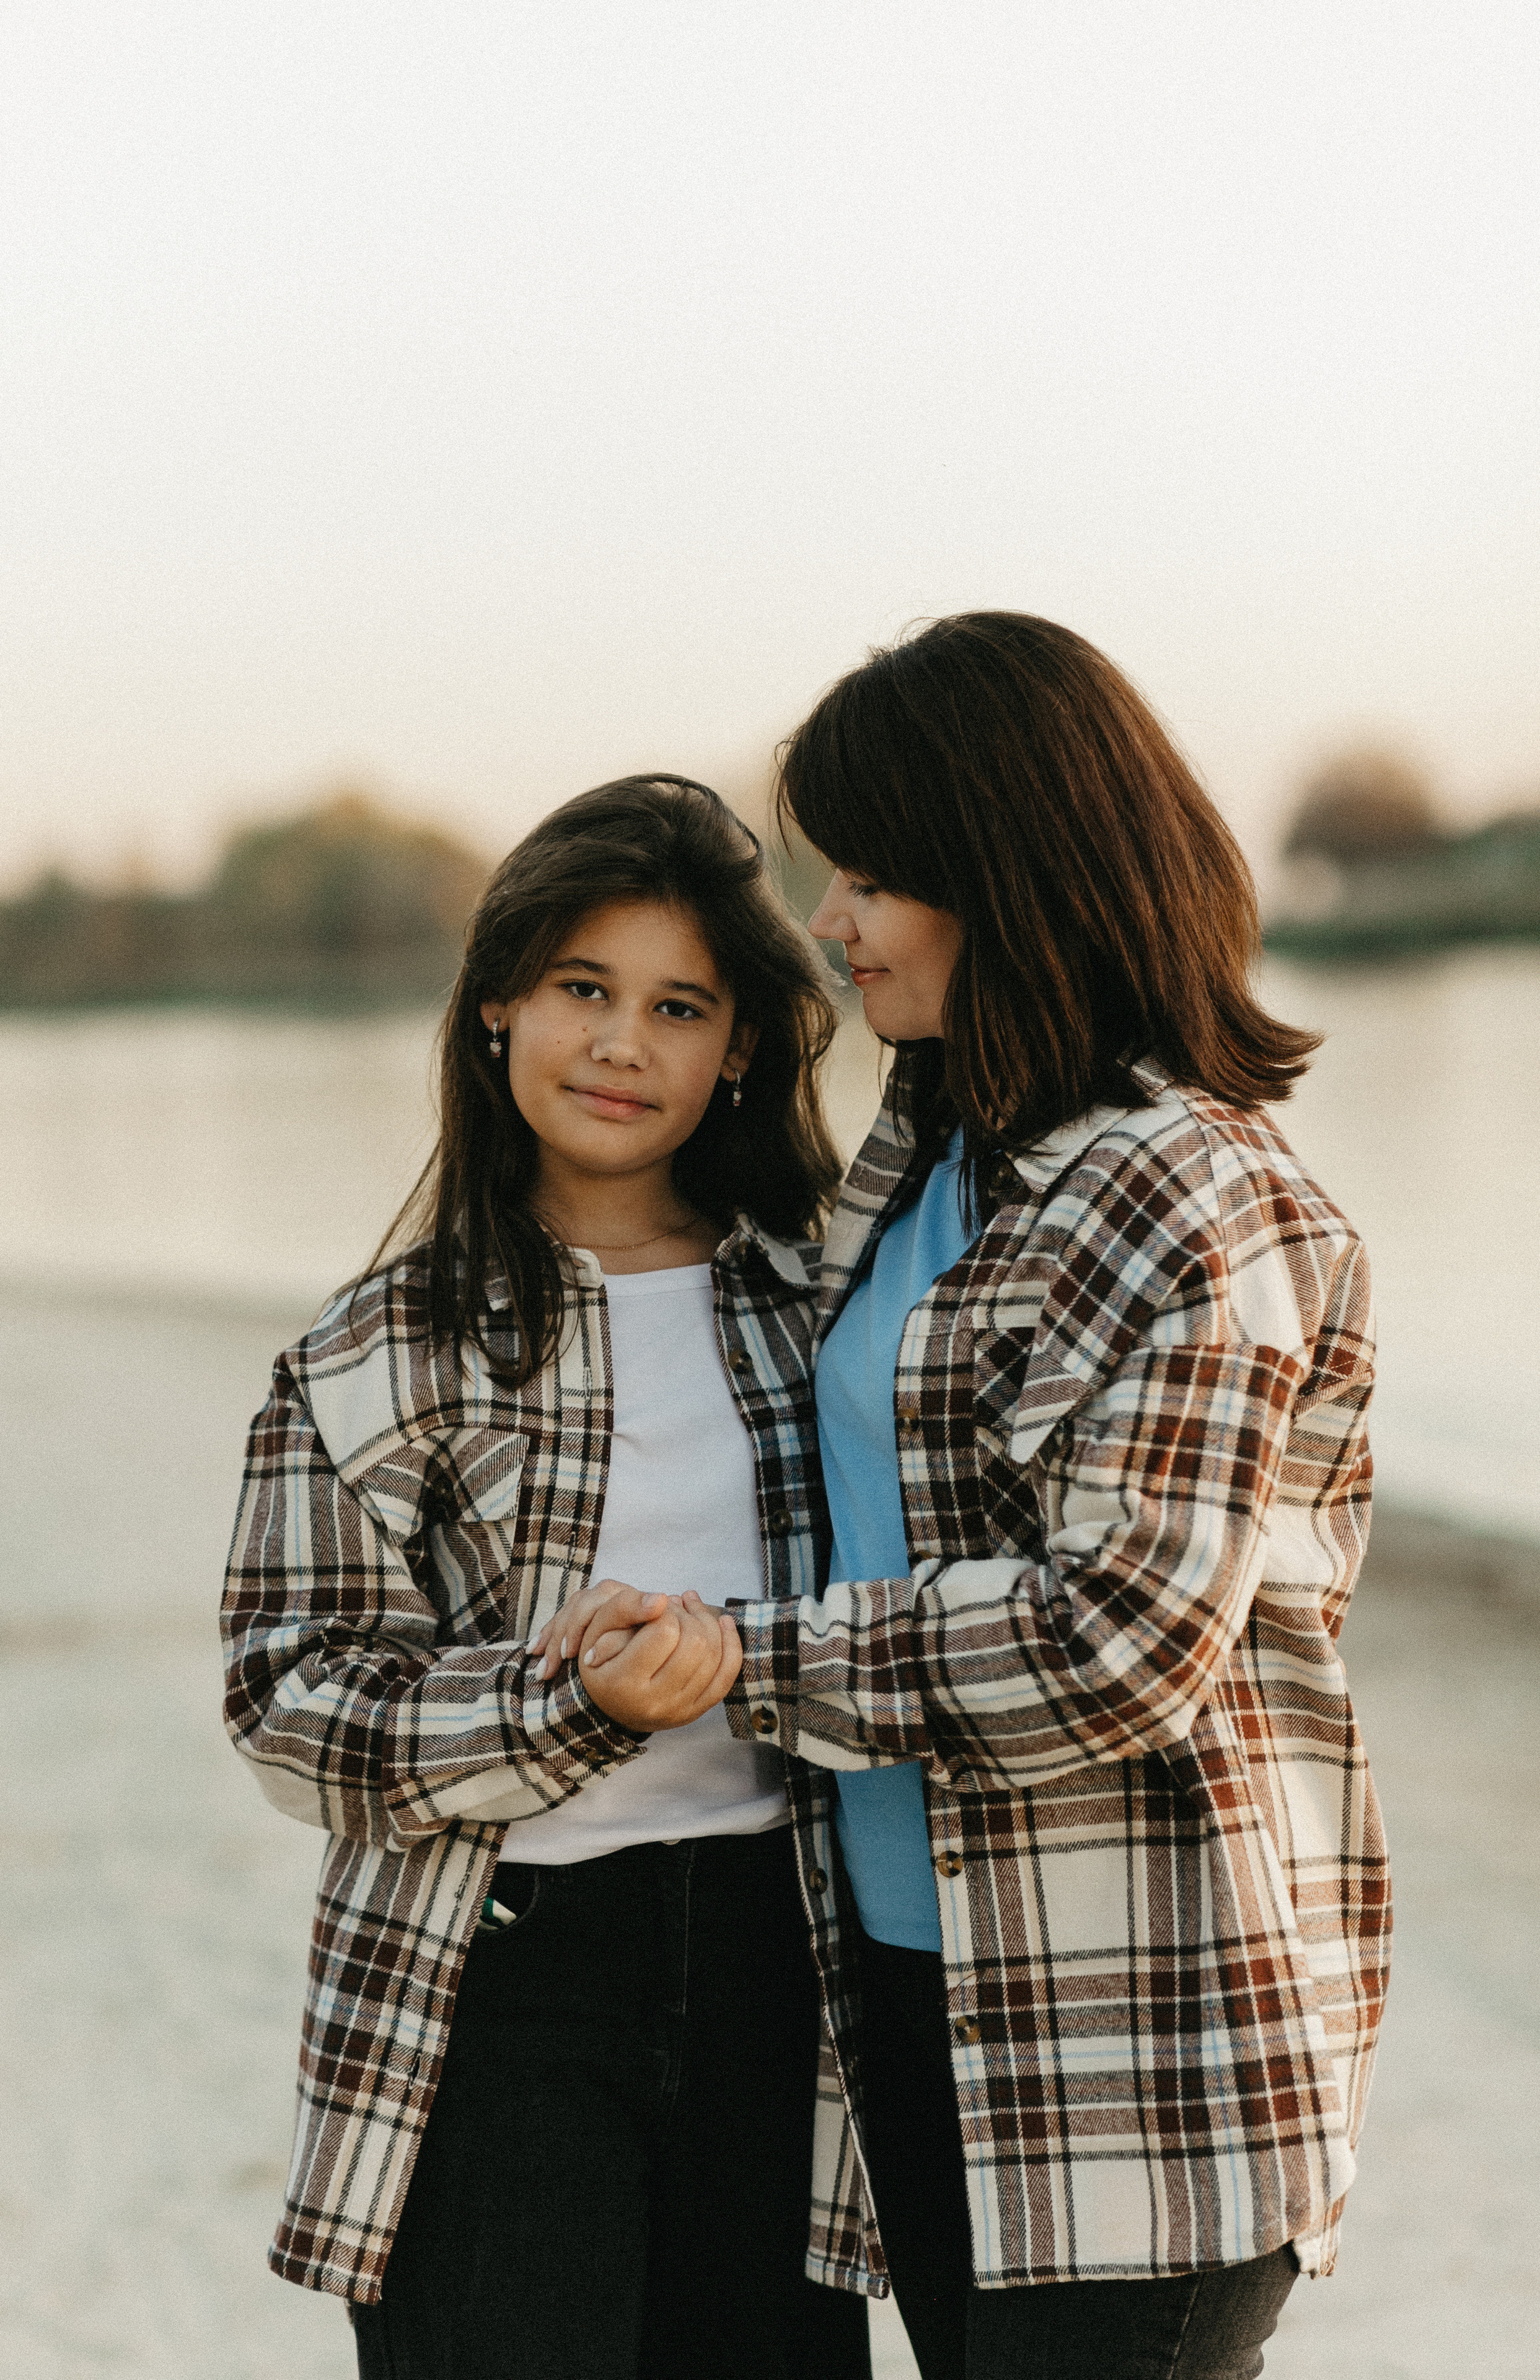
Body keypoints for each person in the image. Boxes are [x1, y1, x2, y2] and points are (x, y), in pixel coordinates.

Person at [555, 620, 1393, 2380]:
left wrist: (733, 1662)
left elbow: (1120, 1644)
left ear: (1007, 870)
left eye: (866, 877)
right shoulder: (934, 1154)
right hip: (912, 1996)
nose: (832, 925)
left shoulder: (1186, 1189)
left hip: (1135, 2039)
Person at [221, 777, 873, 2380]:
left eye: (678, 1006)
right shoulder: (371, 1353)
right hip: (491, 1974)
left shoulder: (825, 1318)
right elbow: (288, 1704)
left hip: (780, 1968)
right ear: (497, 1003)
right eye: (583, 990)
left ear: (740, 1053)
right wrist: (563, 1701)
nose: (621, 1045)